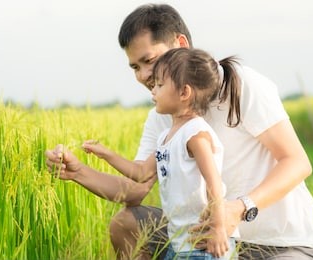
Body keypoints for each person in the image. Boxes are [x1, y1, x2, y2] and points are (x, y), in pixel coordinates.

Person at [45, 3, 313, 260]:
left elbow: (296, 162)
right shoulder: (162, 114)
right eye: (135, 67)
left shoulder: (240, 84)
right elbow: (136, 189)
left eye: (149, 60)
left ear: (180, 44)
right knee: (126, 224)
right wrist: (78, 172)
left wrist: (237, 209)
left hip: (283, 245)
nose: (143, 76)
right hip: (203, 240)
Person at [81, 48, 239, 259]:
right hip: (180, 243)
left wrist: (219, 228)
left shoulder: (195, 133)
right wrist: (106, 154)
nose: (153, 90)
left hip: (205, 245)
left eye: (160, 85)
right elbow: (141, 173)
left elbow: (214, 183)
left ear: (184, 93)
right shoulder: (166, 136)